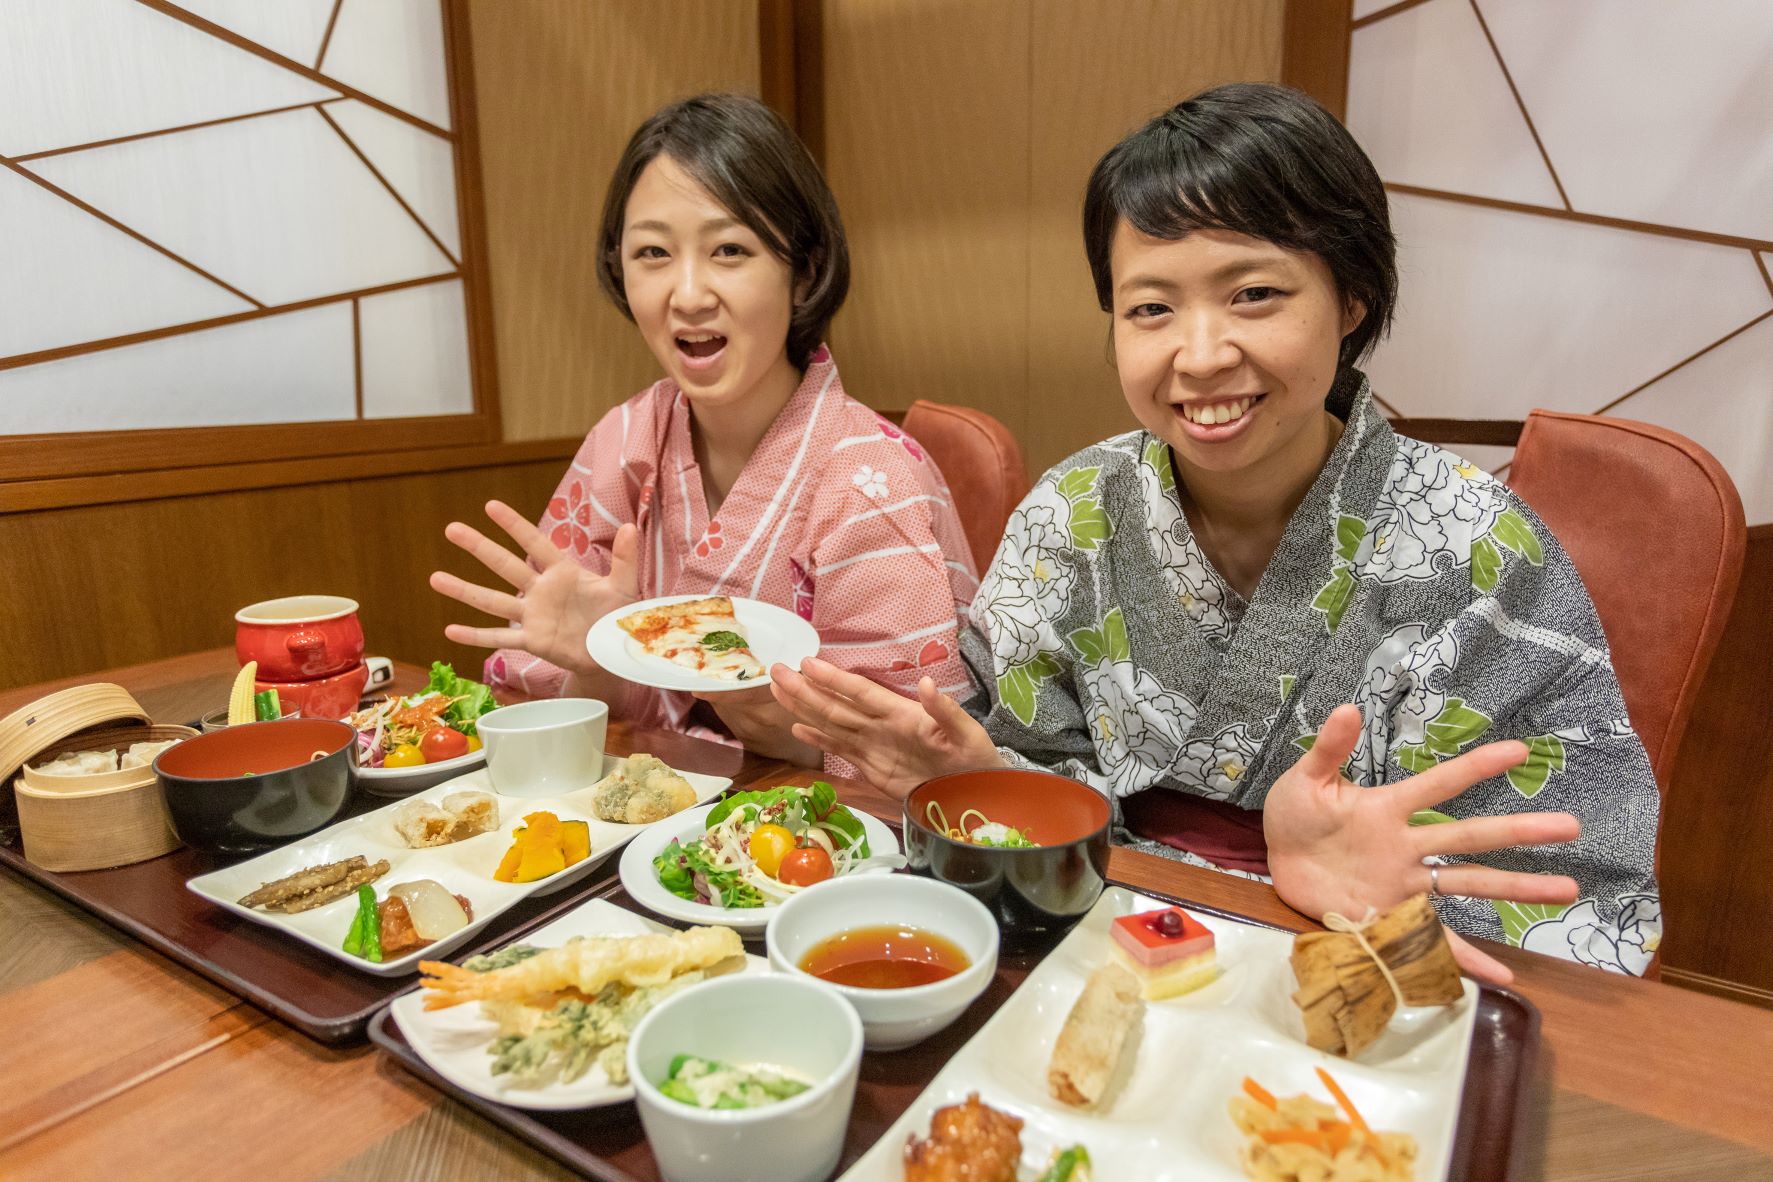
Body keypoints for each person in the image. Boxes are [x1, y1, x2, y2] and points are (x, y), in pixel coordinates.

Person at [771, 83, 1660, 981]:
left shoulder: (1477, 548)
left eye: (1254, 294)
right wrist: (986, 775)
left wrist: (1394, 894)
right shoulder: (1070, 512)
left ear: (1351, 297)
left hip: (1352, 988)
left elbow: (1573, 892)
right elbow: (1040, 783)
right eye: (1150, 308)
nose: (1198, 356)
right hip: (1094, 958)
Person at [431, 94, 977, 769]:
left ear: (802, 271)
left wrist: (770, 722)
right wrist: (597, 662)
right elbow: (555, 711)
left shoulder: (869, 478)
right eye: (653, 252)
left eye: (729, 249)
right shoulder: (622, 441)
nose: (687, 294)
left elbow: (913, 764)